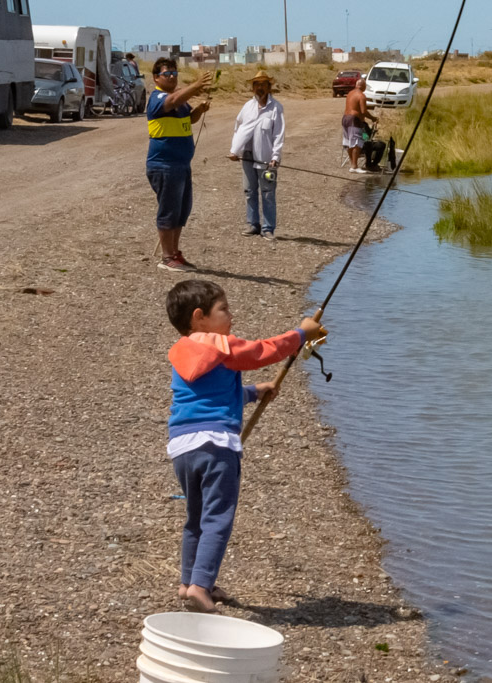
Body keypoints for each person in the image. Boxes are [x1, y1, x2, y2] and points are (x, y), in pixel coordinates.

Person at [164, 278, 327, 613]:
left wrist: (253, 392)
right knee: (217, 518)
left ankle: (188, 582)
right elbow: (261, 351)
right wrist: (301, 334)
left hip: (183, 446)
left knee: (196, 517)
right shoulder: (220, 345)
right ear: (200, 317)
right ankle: (200, 586)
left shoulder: (184, 351)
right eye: (223, 309)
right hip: (216, 446)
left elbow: (211, 394)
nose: (231, 315)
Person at [147, 57, 212, 271]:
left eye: (175, 74)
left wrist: (200, 110)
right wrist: (196, 86)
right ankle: (167, 258)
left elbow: (189, 118)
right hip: (164, 164)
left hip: (181, 164)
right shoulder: (157, 98)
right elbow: (171, 103)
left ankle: (175, 253)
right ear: (157, 77)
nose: (172, 77)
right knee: (169, 210)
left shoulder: (180, 99)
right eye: (167, 74)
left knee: (181, 211)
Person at [227, 70, 285, 240]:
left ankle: (268, 228)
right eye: (256, 84)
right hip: (247, 155)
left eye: (263, 84)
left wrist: (275, 157)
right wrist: (234, 150)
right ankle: (252, 224)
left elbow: (279, 135)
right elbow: (238, 129)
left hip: (266, 158)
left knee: (268, 192)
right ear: (253, 87)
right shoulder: (247, 107)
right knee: (249, 190)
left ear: (269, 87)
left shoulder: (276, 108)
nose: (259, 88)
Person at [342, 76, 373, 172]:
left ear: (356, 85)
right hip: (354, 120)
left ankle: (352, 164)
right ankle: (354, 166)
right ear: (363, 87)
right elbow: (363, 111)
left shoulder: (350, 93)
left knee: (348, 142)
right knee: (356, 143)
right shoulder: (361, 96)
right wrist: (373, 118)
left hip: (345, 119)